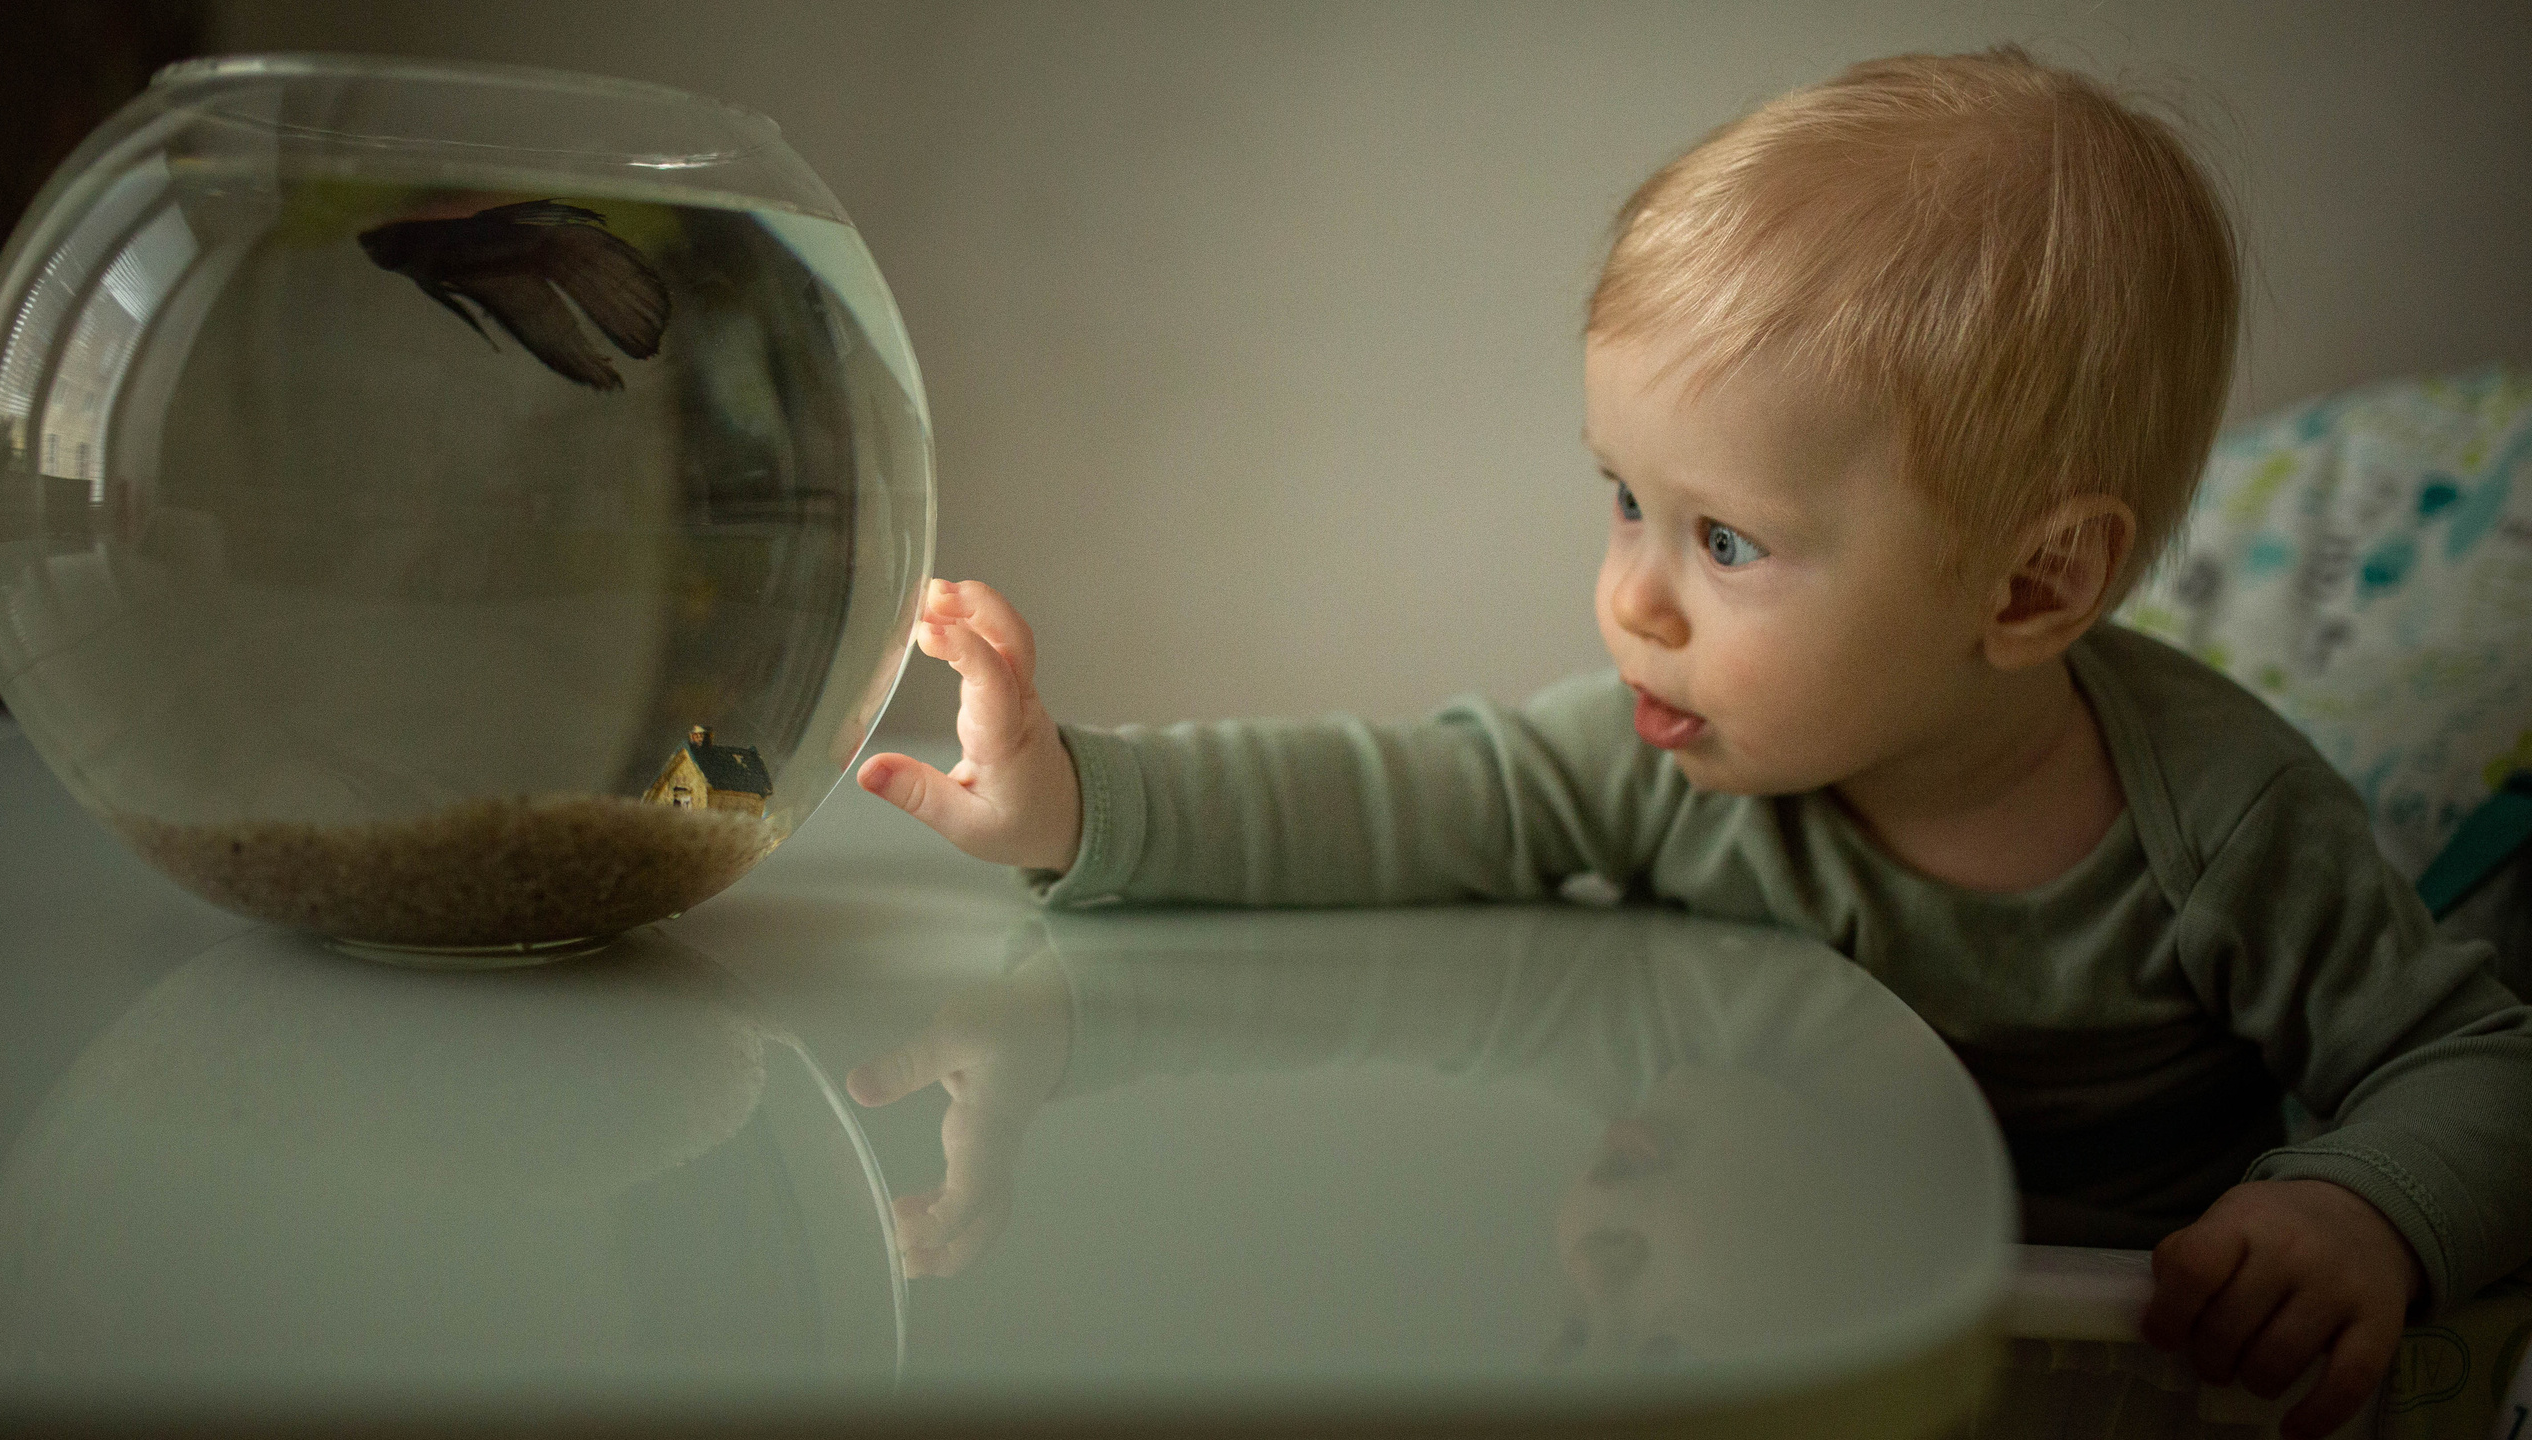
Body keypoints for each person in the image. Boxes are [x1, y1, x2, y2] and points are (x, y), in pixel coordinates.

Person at [852, 45, 2532, 1440]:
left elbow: (2480, 1063)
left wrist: (2357, 1208)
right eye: (1625, 503)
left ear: (2033, 582)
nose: (1631, 603)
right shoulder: (1672, 749)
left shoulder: (2223, 826)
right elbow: (1408, 792)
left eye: (1725, 542)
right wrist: (1083, 800)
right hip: (1784, 1355)